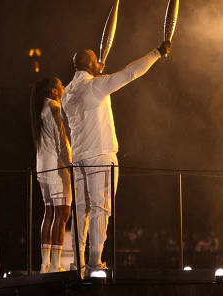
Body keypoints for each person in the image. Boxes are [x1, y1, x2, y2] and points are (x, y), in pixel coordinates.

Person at [61, 41, 171, 275]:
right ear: (91, 65)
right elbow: (130, 72)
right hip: (100, 155)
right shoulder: (96, 87)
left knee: (82, 210)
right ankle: (94, 263)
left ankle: (78, 263)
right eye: (95, 60)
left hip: (79, 157)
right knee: (101, 209)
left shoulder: (67, 94)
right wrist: (157, 53)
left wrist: (99, 74)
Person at [29, 77, 72, 273]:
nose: (64, 87)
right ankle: (55, 265)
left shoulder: (41, 108)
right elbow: (61, 139)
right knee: (62, 213)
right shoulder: (54, 107)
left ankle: (44, 264)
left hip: (42, 166)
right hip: (56, 167)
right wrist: (71, 164)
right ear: (54, 91)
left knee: (49, 212)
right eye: (61, 85)